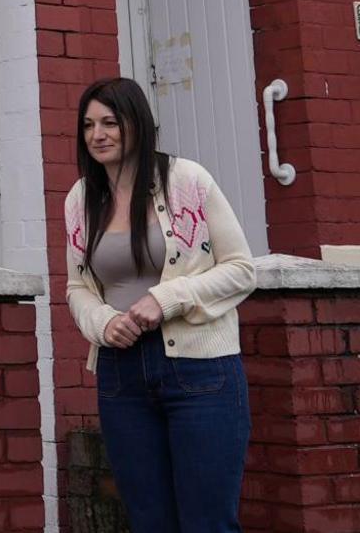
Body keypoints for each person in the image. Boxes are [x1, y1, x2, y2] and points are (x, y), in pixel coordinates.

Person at [64, 76, 258, 533]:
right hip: (121, 375)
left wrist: (167, 298)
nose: (98, 135)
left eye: (110, 122)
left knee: (207, 522)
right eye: (89, 125)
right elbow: (77, 288)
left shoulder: (187, 180)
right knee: (149, 521)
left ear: (138, 124)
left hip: (201, 374)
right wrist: (103, 322)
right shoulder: (81, 199)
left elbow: (241, 269)